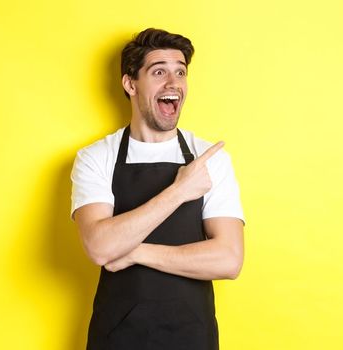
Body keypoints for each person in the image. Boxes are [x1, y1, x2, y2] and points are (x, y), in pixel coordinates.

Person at [70, 28, 245, 349]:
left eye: (180, 72)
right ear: (130, 84)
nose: (173, 83)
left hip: (192, 335)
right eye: (159, 71)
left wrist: (136, 252)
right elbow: (99, 247)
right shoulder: (96, 157)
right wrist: (179, 190)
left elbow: (229, 260)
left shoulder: (210, 158)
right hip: (117, 335)